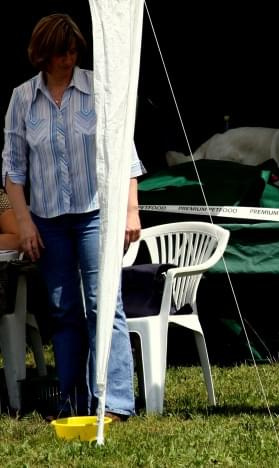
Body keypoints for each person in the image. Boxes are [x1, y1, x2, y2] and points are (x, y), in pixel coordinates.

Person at [2, 14, 144, 420]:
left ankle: (115, 403)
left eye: (74, 50)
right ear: (43, 55)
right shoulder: (22, 99)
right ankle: (73, 401)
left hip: (95, 212)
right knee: (63, 310)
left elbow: (125, 155)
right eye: (62, 51)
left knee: (104, 304)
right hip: (47, 219)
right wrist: (24, 221)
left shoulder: (98, 89)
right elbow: (12, 169)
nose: (70, 58)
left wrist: (130, 209)